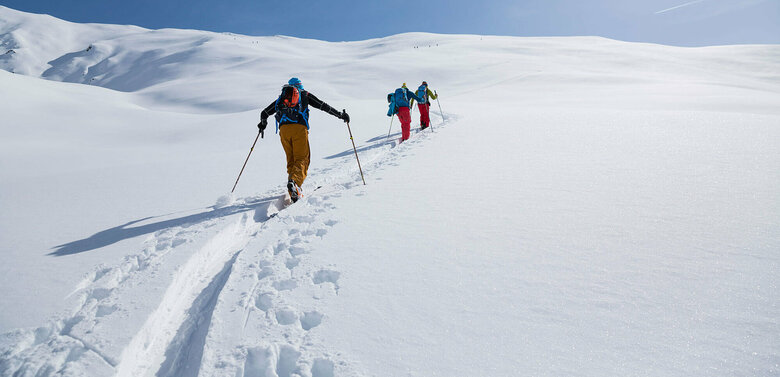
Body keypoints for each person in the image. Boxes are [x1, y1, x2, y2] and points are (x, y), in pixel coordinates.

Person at [257, 77, 349, 203]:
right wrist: (340, 115)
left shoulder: (281, 99)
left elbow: (264, 113)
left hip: (283, 131)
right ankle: (294, 183)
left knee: (291, 160)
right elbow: (323, 106)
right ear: (300, 85)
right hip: (299, 129)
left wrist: (263, 124)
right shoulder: (305, 95)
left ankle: (293, 191)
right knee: (302, 159)